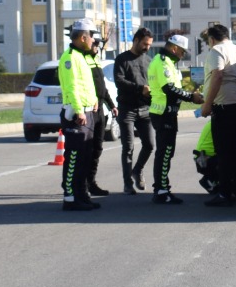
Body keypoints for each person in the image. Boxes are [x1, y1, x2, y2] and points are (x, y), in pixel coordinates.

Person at [199, 23, 236, 207]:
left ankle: (224, 194)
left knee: (224, 153)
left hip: (223, 108)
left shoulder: (216, 51)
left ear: (211, 39)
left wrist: (207, 105)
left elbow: (218, 76)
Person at [147, 33, 203, 204]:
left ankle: (162, 188)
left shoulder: (166, 61)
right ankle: (161, 190)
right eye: (182, 52)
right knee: (164, 153)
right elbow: (169, 88)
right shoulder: (163, 62)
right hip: (163, 113)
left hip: (167, 112)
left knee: (166, 153)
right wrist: (191, 97)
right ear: (174, 48)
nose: (183, 55)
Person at [57, 18, 104, 212]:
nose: (93, 40)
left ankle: (82, 194)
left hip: (87, 112)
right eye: (91, 36)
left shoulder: (81, 56)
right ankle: (70, 197)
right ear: (83, 37)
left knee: (84, 157)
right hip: (77, 114)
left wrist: (93, 100)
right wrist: (78, 110)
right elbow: (72, 86)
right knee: (74, 157)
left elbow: (87, 84)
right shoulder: (69, 58)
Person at [112, 27, 155, 194]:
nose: (147, 47)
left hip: (145, 109)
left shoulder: (149, 61)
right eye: (145, 44)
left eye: (150, 45)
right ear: (136, 40)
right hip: (127, 109)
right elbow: (119, 81)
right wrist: (140, 89)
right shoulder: (122, 60)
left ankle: (137, 170)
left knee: (150, 145)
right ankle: (128, 183)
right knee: (128, 147)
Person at [84, 31, 117, 197]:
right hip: (89, 109)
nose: (96, 46)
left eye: (98, 43)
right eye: (94, 43)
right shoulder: (82, 60)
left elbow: (102, 87)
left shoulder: (95, 60)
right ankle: (82, 184)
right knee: (86, 149)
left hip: (100, 110)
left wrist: (111, 105)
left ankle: (91, 182)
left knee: (97, 148)